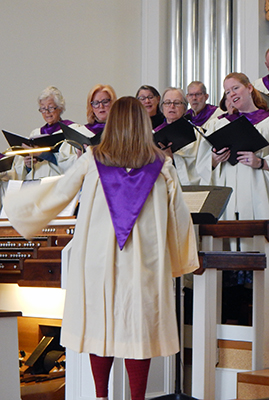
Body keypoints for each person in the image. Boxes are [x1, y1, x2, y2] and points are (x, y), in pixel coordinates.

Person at [4, 96, 199, 400]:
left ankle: (100, 396)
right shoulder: (162, 166)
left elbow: (59, 192)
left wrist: (19, 207)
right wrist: (177, 262)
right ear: (142, 124)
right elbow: (178, 218)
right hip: (144, 260)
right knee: (139, 329)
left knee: (100, 327)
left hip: (97, 259)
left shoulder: (92, 159)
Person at [197, 72, 269, 280]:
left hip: (261, 194)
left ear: (249, 88)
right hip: (229, 199)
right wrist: (214, 160)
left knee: (261, 258)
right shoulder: (218, 124)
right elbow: (201, 166)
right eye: (227, 91)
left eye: (235, 88)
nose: (231, 93)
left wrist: (261, 162)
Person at [8, 86, 79, 180]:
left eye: (50, 108)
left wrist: (44, 155)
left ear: (60, 108)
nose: (47, 112)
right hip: (38, 186)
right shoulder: (35, 134)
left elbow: (76, 162)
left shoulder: (72, 131)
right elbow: (21, 172)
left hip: (60, 184)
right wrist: (28, 166)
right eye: (43, 109)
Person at [57, 84, 118, 171]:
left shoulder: (121, 132)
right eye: (96, 103)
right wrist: (78, 159)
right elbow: (63, 162)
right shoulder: (81, 132)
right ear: (91, 107)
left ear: (113, 103)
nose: (101, 106)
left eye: (105, 101)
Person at [154, 87, 202, 185]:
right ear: (162, 108)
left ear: (185, 108)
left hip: (191, 187)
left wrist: (172, 158)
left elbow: (203, 164)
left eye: (176, 103)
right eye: (167, 103)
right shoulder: (153, 134)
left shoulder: (197, 133)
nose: (172, 106)